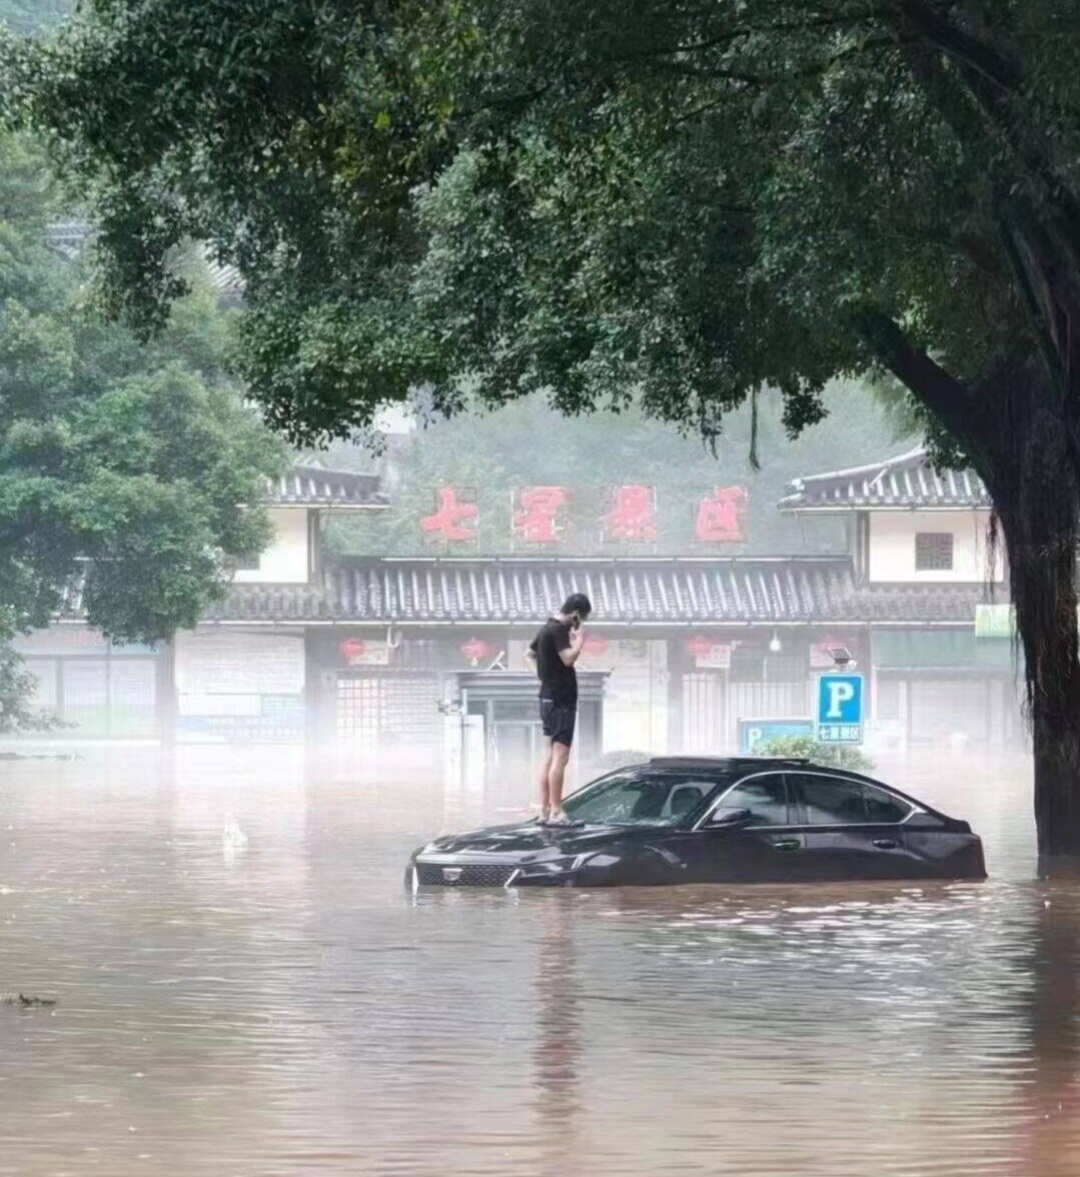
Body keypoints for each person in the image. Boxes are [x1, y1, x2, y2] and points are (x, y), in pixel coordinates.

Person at [525, 592, 592, 824]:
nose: (579, 624)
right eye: (580, 619)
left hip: (547, 697)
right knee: (560, 758)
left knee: (549, 756)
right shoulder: (559, 630)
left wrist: (543, 677)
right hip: (562, 701)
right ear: (575, 614)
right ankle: (556, 811)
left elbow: (529, 654)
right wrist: (580, 641)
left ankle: (544, 810)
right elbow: (568, 659)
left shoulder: (546, 628)